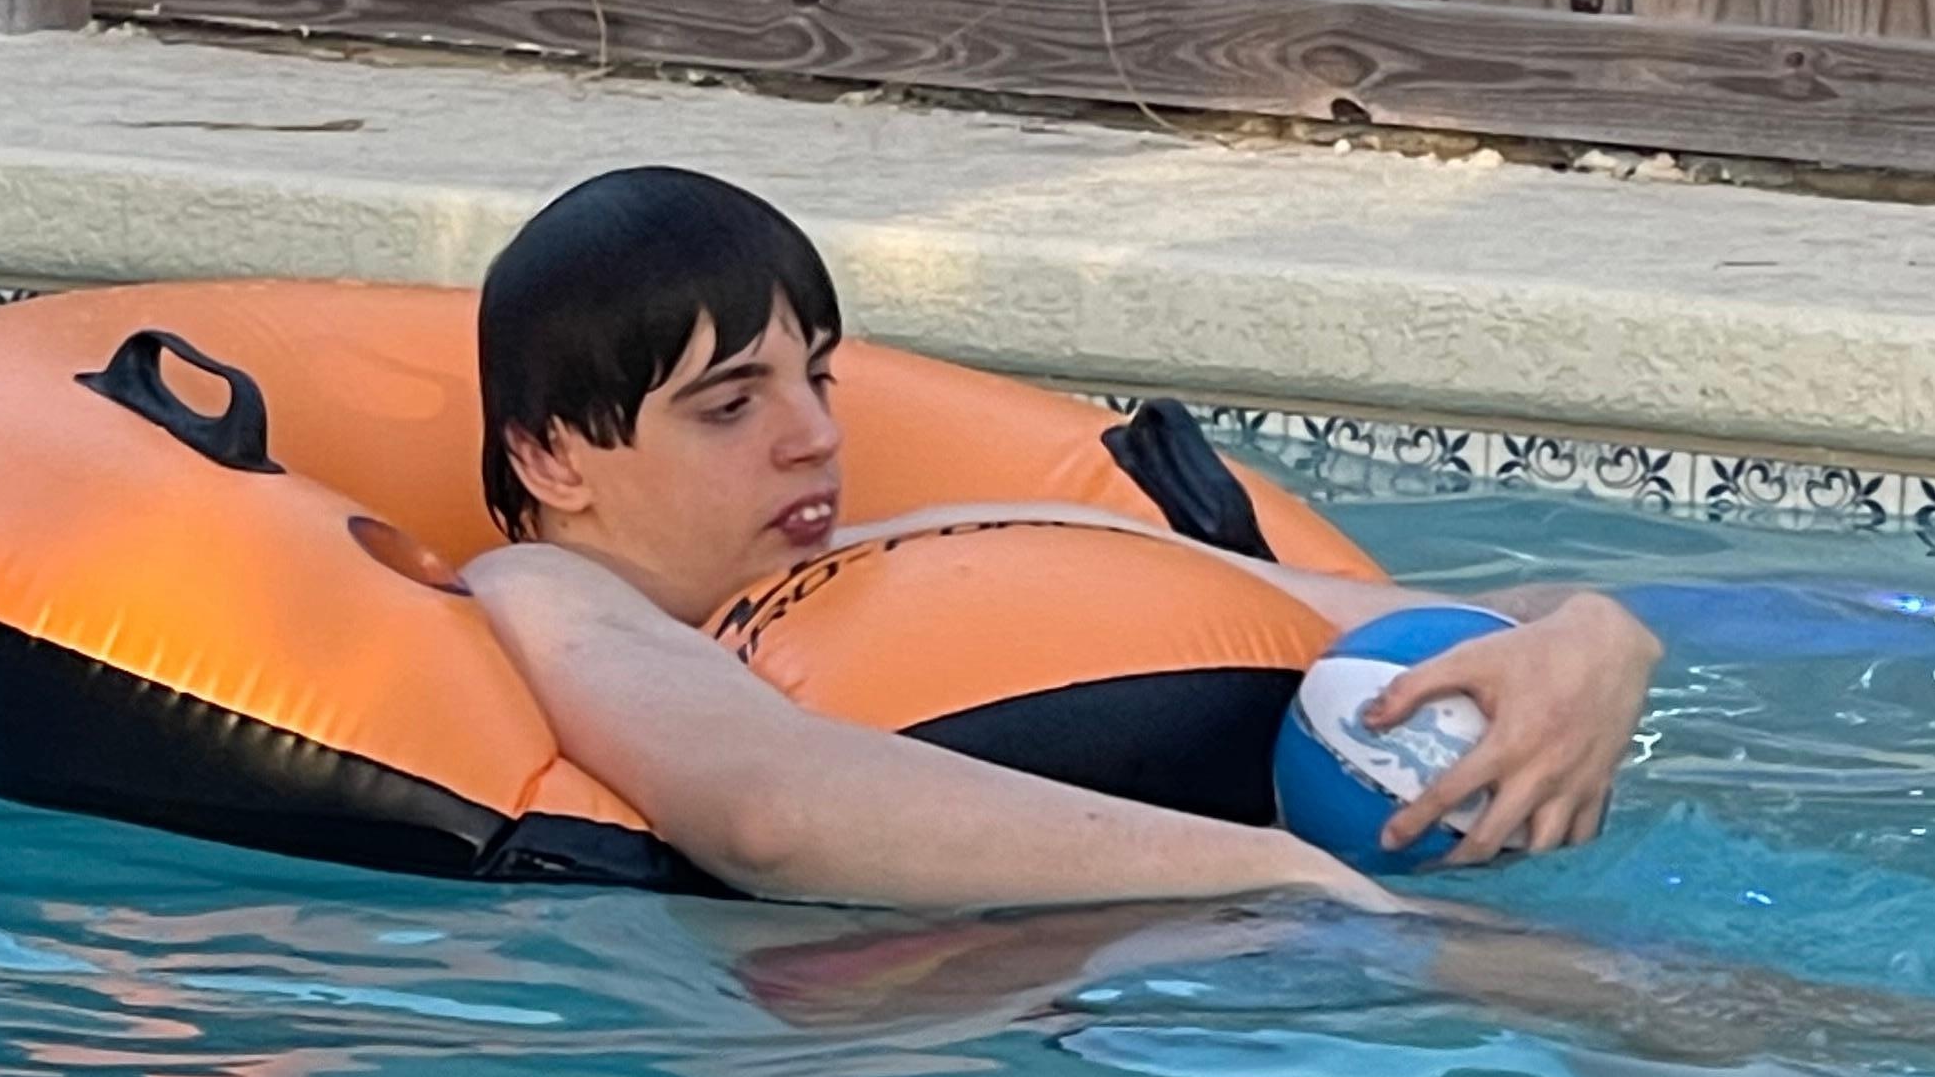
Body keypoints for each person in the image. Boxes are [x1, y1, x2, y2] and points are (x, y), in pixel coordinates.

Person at [463, 167, 1659, 916]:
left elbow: (1396, 610)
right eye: (731, 406)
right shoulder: (548, 590)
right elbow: (769, 812)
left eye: (817, 379)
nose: (815, 437)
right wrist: (1273, 874)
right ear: (552, 457)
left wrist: (1596, 642)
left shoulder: (919, 552)